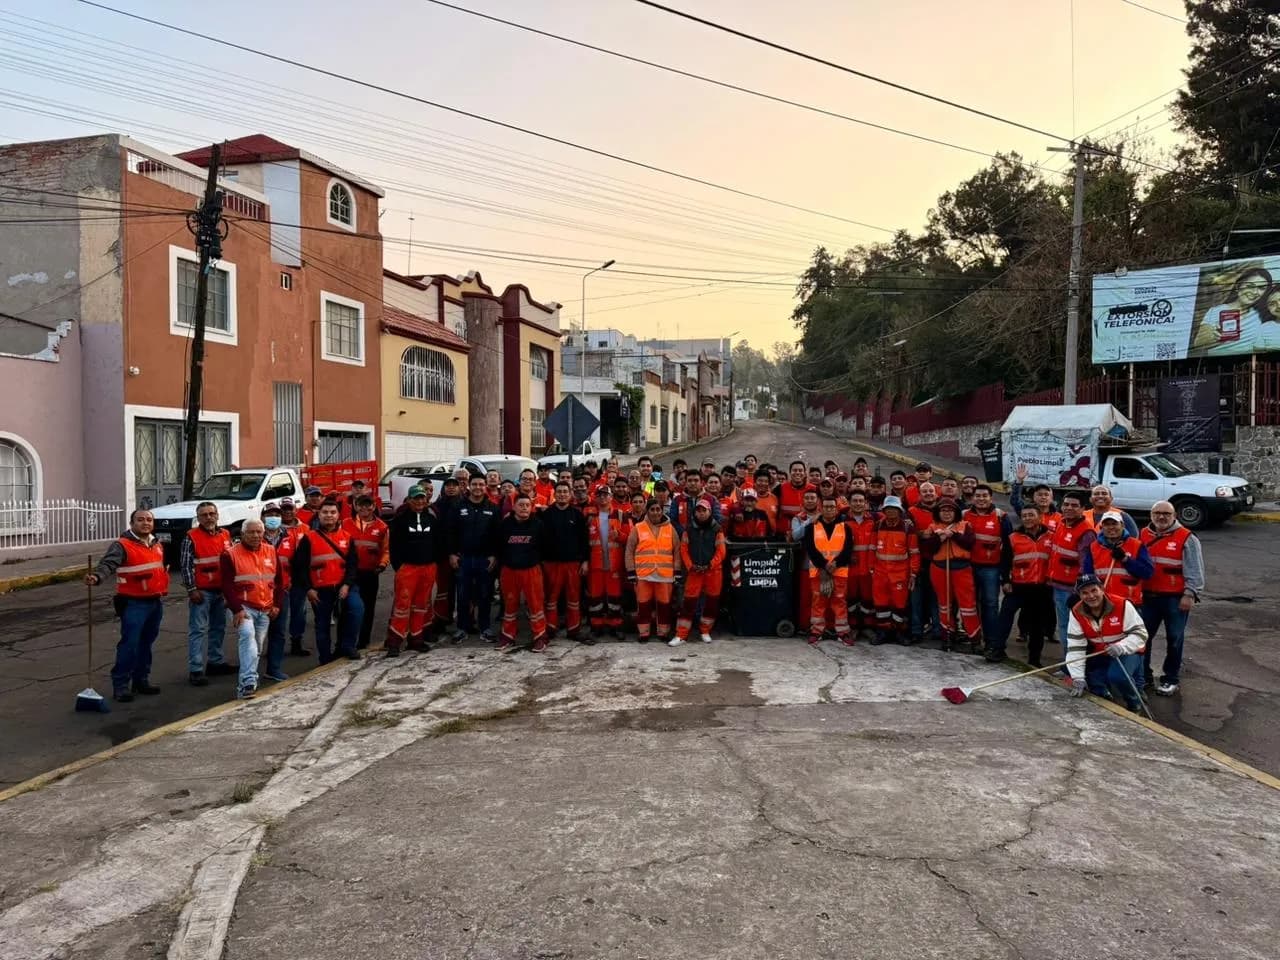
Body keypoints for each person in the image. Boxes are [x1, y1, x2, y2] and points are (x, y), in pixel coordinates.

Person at [85, 509, 167, 702]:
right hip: (133, 603)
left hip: (155, 602)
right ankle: (120, 685)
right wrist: (97, 577)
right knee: (129, 644)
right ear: (132, 523)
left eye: (149, 520)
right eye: (140, 520)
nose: (145, 523)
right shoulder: (122, 545)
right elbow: (108, 564)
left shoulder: (156, 544)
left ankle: (141, 680)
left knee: (146, 643)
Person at [1139, 500, 1204, 696]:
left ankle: (1170, 679)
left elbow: (1195, 570)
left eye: (1166, 514)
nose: (1161, 517)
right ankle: (1144, 676)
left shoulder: (1187, 538)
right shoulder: (1142, 535)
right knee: (1143, 638)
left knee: (1174, 639)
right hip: (1148, 598)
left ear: (1174, 516)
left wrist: (1190, 594)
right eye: (1157, 513)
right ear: (1151, 515)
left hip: (1175, 600)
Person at [291, 502, 364, 663]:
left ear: (338, 515)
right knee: (322, 624)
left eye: (332, 512)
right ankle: (325, 658)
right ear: (319, 514)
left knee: (356, 610)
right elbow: (300, 567)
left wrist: (346, 585)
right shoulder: (308, 538)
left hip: (343, 586)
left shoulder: (347, 537)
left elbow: (352, 565)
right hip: (320, 590)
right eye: (325, 512)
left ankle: (347, 646)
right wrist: (309, 589)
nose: (329, 515)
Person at [219, 519, 283, 699]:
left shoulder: (271, 551)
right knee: (247, 637)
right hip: (243, 607)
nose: (256, 535)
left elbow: (279, 581)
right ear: (243, 534)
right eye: (251, 532)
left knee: (256, 647)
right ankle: (247, 684)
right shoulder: (229, 555)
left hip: (265, 608)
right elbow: (226, 585)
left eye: (259, 532)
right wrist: (237, 609)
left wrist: (277, 604)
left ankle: (248, 681)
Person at [1066, 574, 1149, 712]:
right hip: (1101, 652)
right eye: (1084, 593)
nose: (1090, 596)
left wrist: (1121, 647)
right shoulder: (1076, 612)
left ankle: (1135, 703)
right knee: (1069, 668)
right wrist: (1078, 677)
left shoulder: (1122, 604)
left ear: (1102, 589)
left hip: (1129, 650)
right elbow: (1075, 647)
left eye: (1094, 590)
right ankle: (1104, 693)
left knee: (1117, 676)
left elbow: (1140, 634)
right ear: (1079, 595)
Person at [181, 501, 233, 686]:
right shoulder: (191, 537)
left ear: (217, 515)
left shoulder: (226, 535)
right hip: (202, 592)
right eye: (204, 515)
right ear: (199, 518)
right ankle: (196, 669)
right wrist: (192, 589)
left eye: (212, 513)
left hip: (221, 591)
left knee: (218, 628)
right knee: (198, 630)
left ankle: (215, 662)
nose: (209, 517)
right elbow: (186, 565)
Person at [919, 498, 980, 652]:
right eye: (943, 510)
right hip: (939, 568)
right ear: (938, 513)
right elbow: (927, 549)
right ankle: (947, 637)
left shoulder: (965, 525)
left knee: (968, 606)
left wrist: (953, 535)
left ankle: (975, 640)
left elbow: (969, 543)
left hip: (961, 568)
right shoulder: (933, 527)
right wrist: (939, 538)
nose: (947, 513)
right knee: (944, 605)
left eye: (950, 510)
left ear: (956, 512)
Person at [996, 505, 1055, 667]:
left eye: (1031, 515)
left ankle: (1034, 659)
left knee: (1037, 627)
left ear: (1040, 517)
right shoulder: (1013, 537)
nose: (1027, 518)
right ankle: (996, 649)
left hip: (1041, 589)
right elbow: (1005, 562)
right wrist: (1005, 582)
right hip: (1017, 586)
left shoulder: (1052, 537)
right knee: (1005, 617)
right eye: (1024, 515)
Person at [387, 485, 441, 655]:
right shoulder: (400, 520)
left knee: (421, 604)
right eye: (415, 498)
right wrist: (399, 566)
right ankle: (394, 642)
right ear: (409, 500)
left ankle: (416, 639)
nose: (419, 501)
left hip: (428, 567)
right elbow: (393, 546)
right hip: (408, 568)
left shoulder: (432, 519)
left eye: (422, 498)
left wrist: (434, 561)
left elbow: (439, 542)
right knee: (402, 604)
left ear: (426, 500)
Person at [450, 474, 501, 642]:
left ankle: (485, 628)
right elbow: (450, 533)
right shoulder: (458, 507)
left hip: (484, 560)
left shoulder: (493, 508)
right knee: (463, 595)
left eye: (481, 484)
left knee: (485, 595)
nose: (477, 487)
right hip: (463, 559)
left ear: (486, 486)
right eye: (474, 484)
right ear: (469, 486)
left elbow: (497, 535)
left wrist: (494, 554)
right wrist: (452, 553)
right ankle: (462, 629)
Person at [496, 493, 549, 652]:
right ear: (514, 507)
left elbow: (544, 547)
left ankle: (540, 637)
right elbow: (498, 546)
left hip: (531, 570)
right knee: (510, 605)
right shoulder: (505, 525)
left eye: (527, 505)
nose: (524, 508)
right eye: (521, 505)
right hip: (509, 571)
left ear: (531, 507)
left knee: (535, 605)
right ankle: (507, 636)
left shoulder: (538, 524)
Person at [964, 484, 1012, 652]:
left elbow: (1008, 547)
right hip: (968, 567)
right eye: (978, 496)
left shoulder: (1001, 517)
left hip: (991, 569)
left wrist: (1006, 576)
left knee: (990, 605)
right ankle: (974, 639)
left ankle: (991, 641)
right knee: (969, 605)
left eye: (985, 496)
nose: (981, 499)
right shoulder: (964, 515)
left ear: (991, 498)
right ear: (973, 497)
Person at [625, 498, 680, 643]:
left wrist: (677, 571)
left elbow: (677, 551)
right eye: (652, 509)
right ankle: (643, 633)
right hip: (643, 575)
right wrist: (631, 571)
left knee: (664, 605)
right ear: (647, 511)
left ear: (662, 511)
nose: (655, 512)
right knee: (643, 605)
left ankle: (663, 632)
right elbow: (629, 551)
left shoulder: (671, 528)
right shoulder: (637, 528)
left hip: (664, 575)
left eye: (658, 509)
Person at [672, 497, 726, 646]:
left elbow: (721, 551)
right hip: (695, 571)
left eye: (704, 510)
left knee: (711, 602)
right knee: (688, 603)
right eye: (699, 511)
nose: (701, 513)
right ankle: (681, 635)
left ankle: (705, 631)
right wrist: (691, 566)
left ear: (709, 512)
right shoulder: (688, 530)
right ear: (695, 513)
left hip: (713, 571)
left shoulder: (717, 529)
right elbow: (683, 549)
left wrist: (710, 565)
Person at [1047, 492, 1095, 653]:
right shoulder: (1062, 523)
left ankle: (1071, 668)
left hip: (1070, 589)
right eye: (1066, 504)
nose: (1069, 508)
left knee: (1070, 628)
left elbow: (1086, 564)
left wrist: (1078, 590)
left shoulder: (1086, 532)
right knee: (1064, 626)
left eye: (1074, 505)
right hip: (1057, 584)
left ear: (1083, 509)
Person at [542, 480, 589, 641]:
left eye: (565, 492)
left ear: (570, 495)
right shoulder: (546, 514)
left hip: (572, 564)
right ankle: (550, 628)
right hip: (551, 563)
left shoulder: (577, 515)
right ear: (555, 494)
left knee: (574, 598)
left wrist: (585, 561)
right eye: (559, 492)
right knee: (551, 598)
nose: (562, 494)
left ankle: (574, 630)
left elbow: (584, 540)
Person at [803, 495, 853, 645]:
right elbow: (811, 550)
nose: (829, 509)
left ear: (836, 509)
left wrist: (835, 564)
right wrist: (825, 566)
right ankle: (816, 631)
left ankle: (843, 632)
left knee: (839, 601)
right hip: (819, 571)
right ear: (821, 508)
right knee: (818, 601)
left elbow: (848, 550)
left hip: (839, 571)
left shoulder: (845, 527)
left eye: (832, 507)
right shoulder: (811, 527)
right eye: (826, 507)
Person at [1190, 266, 1271, 356]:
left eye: (1261, 288)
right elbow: (1197, 343)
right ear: (1238, 287)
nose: (1255, 292)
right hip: (1221, 365)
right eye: (1250, 286)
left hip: (1249, 364)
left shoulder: (1259, 314)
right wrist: (1213, 336)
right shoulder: (1217, 311)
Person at [870, 497, 919, 645]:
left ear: (899, 511)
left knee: (900, 604)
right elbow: (872, 550)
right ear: (884, 510)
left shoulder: (907, 528)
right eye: (888, 508)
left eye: (894, 508)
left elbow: (914, 553)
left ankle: (899, 632)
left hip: (900, 573)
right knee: (881, 604)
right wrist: (871, 569)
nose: (891, 511)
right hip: (880, 573)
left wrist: (913, 573)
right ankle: (883, 632)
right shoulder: (877, 526)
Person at [343, 494, 389, 650]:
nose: (364, 508)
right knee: (350, 608)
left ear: (373, 507)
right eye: (361, 504)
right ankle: (346, 642)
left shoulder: (382, 527)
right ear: (355, 506)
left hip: (370, 573)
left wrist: (382, 565)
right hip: (350, 574)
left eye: (368, 505)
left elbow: (386, 550)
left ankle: (363, 641)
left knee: (368, 609)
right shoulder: (345, 524)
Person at [1083, 511, 1154, 611]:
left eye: (1114, 523)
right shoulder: (1093, 547)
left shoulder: (1136, 545)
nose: (1111, 527)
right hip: (1103, 603)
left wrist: (1126, 560)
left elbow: (1147, 573)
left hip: (1130, 604)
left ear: (1122, 525)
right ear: (1101, 527)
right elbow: (1087, 576)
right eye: (1107, 524)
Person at [587, 486, 626, 637]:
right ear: (596, 498)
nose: (603, 498)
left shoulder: (620, 515)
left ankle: (615, 626)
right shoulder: (590, 516)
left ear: (611, 497)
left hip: (613, 564)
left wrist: (619, 535)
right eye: (600, 495)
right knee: (595, 597)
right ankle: (596, 627)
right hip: (595, 564)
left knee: (614, 597)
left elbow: (629, 538)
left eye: (605, 495)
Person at [259, 502, 292, 682]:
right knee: (256, 634)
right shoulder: (255, 536)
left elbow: (297, 561)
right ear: (263, 517)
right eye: (269, 514)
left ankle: (274, 668)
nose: (273, 518)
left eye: (276, 514)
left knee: (278, 631)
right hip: (258, 594)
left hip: (281, 592)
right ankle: (249, 671)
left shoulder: (289, 537)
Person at [277, 499, 312, 658]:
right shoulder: (273, 529)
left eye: (289, 508)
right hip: (280, 579)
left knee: (299, 612)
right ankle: (275, 644)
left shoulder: (306, 528)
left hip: (300, 578)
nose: (287, 512)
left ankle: (296, 642)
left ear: (295, 509)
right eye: (284, 509)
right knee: (280, 614)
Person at [908, 482, 941, 644]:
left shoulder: (944, 510)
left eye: (931, 491)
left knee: (937, 598)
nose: (928, 493)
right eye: (924, 491)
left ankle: (938, 630)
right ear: (919, 494)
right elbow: (909, 533)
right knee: (916, 599)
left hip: (938, 561)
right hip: (918, 561)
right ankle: (916, 631)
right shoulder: (912, 512)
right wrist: (923, 534)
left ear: (936, 493)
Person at [431, 475, 465, 628]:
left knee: (464, 590)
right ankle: (442, 619)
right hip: (442, 555)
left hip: (462, 554)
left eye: (454, 485)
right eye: (448, 485)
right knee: (444, 590)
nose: (451, 488)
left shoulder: (465, 504)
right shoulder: (436, 507)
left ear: (459, 487)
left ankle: (466, 621)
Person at [845, 491, 878, 639]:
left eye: (861, 501)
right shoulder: (843, 521)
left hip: (868, 568)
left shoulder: (874, 521)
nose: (858, 504)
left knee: (867, 599)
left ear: (866, 504)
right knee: (851, 598)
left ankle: (867, 627)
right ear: (849, 503)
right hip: (850, 568)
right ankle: (853, 627)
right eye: (855, 501)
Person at [791, 489, 822, 633]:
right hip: (804, 563)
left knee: (821, 597)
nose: (810, 500)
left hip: (822, 563)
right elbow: (796, 535)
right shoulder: (798, 518)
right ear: (802, 501)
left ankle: (821, 626)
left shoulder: (825, 516)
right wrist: (810, 521)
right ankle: (804, 626)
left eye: (813, 498)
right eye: (807, 498)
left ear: (818, 501)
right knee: (805, 597)